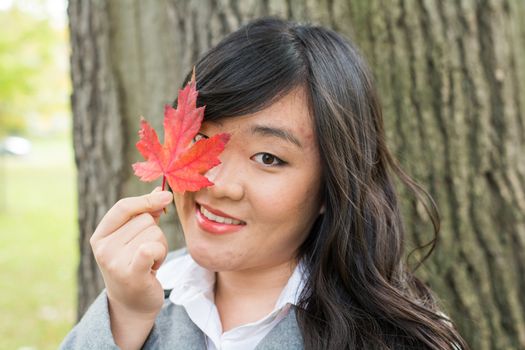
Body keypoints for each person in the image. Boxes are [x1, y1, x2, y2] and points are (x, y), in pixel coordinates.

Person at [60, 17, 468, 350]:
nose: (218, 184)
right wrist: (126, 317)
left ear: (332, 186)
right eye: (202, 142)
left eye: (268, 158)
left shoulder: (395, 338)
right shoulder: (145, 294)